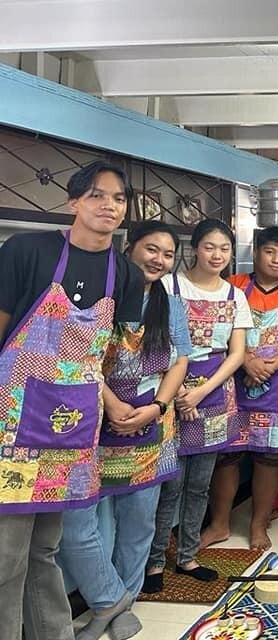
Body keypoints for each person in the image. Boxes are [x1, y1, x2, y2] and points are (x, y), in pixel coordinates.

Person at [0, 161, 144, 640]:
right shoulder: (27, 251)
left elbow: (112, 357)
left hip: (72, 424)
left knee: (45, 548)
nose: (109, 206)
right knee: (6, 555)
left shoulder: (124, 273)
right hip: (13, 423)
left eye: (119, 199)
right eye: (98, 195)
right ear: (74, 202)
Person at [59, 221, 191, 640]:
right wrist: (112, 404)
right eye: (152, 249)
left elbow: (180, 361)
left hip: (151, 427)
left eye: (168, 255)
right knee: (82, 524)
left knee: (138, 525)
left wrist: (157, 406)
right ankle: (106, 599)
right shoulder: (102, 295)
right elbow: (77, 355)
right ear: (129, 248)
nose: (159, 260)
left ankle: (122, 607)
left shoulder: (171, 305)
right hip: (96, 421)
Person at [144, 219, 252, 593]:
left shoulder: (235, 295)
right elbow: (157, 342)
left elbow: (236, 354)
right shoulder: (169, 286)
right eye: (209, 247)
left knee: (199, 484)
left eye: (224, 248)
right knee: (169, 485)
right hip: (169, 390)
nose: (217, 255)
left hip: (215, 394)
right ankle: (155, 561)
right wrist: (179, 393)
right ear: (194, 249)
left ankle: (188, 556)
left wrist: (202, 392)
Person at [201, 226, 278, 551]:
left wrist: (267, 366)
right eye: (270, 252)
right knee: (227, 457)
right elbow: (216, 331)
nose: (277, 260)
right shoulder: (233, 285)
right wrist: (247, 361)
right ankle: (220, 524)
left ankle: (258, 525)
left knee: (269, 460)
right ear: (255, 253)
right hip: (232, 383)